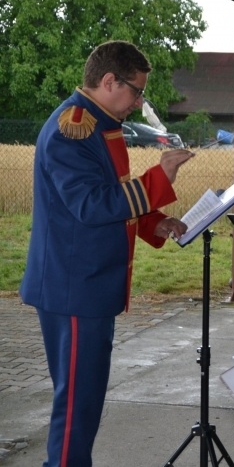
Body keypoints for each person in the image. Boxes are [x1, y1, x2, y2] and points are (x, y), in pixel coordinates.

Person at [19, 40, 195, 465]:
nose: (138, 102)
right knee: (77, 407)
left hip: (85, 285)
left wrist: (153, 222)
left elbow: (110, 195)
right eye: (136, 91)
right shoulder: (72, 129)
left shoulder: (97, 123)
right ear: (109, 80)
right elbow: (91, 205)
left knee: (84, 402)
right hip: (74, 288)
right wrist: (158, 178)